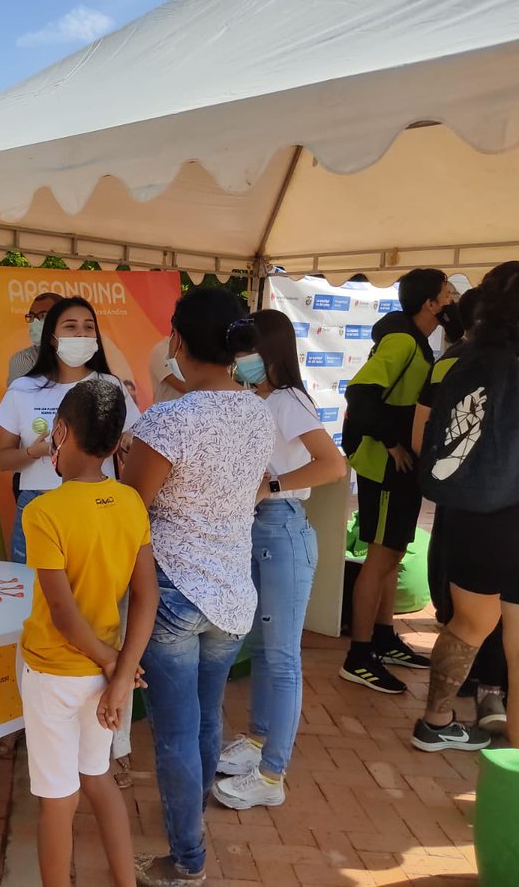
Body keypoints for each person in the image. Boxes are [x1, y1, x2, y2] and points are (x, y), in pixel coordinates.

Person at [121, 287, 274, 885]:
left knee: (176, 734)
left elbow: (132, 508)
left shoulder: (170, 419)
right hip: (233, 592)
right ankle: (193, 827)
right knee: (207, 720)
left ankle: (187, 860)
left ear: (179, 343)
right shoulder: (257, 411)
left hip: (174, 593)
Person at [410, 261, 519, 753]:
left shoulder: (454, 360)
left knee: (466, 624)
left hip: (469, 522)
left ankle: (435, 721)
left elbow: (422, 441)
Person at [20, 378, 158, 887]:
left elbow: (62, 614)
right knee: (97, 780)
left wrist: (109, 663)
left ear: (60, 431)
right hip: (104, 678)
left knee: (57, 801)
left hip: (56, 672)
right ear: (117, 439)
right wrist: (119, 674)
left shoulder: (43, 512)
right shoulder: (130, 504)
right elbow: (147, 597)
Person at [212, 309, 346, 810]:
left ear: (269, 350)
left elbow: (332, 465)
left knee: (284, 657)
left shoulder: (288, 401)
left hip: (282, 528)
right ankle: (259, 739)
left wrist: (270, 486)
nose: (241, 358)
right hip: (258, 531)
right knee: (265, 649)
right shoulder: (254, 400)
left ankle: (272, 776)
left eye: (248, 348)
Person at [340, 268, 456, 693]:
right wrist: (392, 442)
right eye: (448, 293)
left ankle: (385, 637)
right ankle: (359, 654)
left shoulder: (416, 341)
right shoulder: (403, 341)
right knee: (381, 555)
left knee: (391, 553)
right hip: (385, 468)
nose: (453, 299)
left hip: (400, 470)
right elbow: (361, 390)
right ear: (430, 303)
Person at [0, 296, 141, 563]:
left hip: (97, 504)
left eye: (88, 327)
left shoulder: (111, 385)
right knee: (31, 591)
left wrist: (126, 446)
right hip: (38, 503)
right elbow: (2, 459)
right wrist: (33, 452)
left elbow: (134, 446)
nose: (81, 333)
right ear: (51, 337)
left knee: (93, 594)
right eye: (70, 327)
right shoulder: (23, 389)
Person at [8, 292, 59, 385]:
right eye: (31, 316)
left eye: (43, 316)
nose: (34, 322)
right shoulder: (24, 359)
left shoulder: (81, 354)